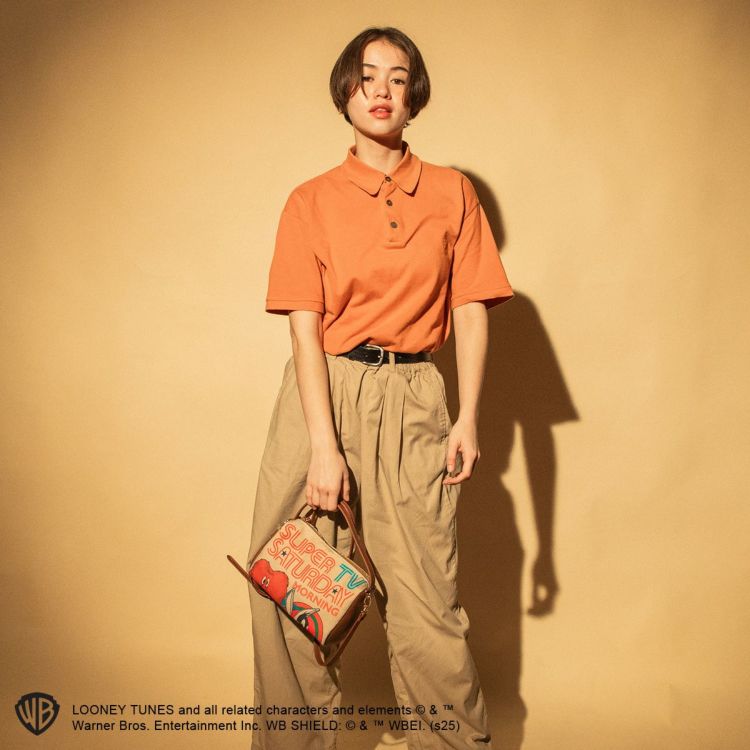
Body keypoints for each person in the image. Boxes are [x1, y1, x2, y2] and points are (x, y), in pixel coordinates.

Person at [245, 26, 514, 750]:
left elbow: (471, 308)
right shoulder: (310, 201)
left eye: (398, 77)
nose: (382, 91)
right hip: (322, 396)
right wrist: (323, 448)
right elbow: (304, 330)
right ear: (345, 90)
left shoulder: (453, 194)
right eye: (367, 76)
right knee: (292, 588)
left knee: (425, 600)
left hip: (415, 396)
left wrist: (468, 417)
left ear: (414, 94)